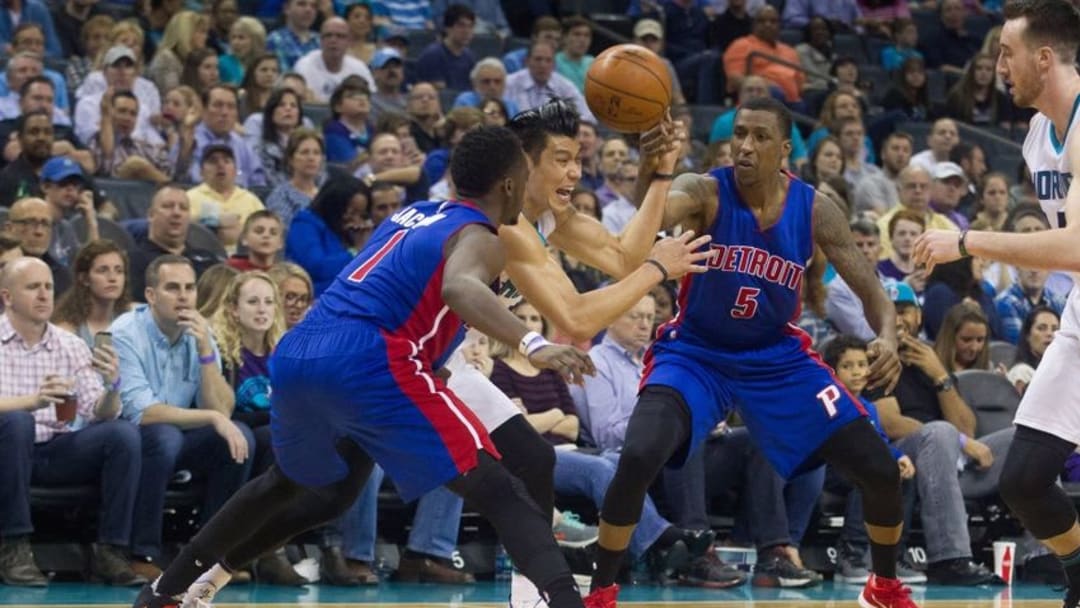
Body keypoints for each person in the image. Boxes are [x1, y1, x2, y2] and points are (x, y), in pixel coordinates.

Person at [130, 126, 601, 608]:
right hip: (373, 360)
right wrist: (531, 341)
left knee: (303, 488)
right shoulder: (480, 236)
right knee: (499, 488)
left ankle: (164, 592)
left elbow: (408, 297)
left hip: (304, 351)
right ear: (508, 184)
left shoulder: (412, 213)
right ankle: (564, 600)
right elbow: (460, 290)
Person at [582, 96, 913, 608]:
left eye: (759, 137)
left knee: (880, 468)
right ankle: (601, 590)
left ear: (784, 149)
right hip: (696, 353)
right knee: (640, 452)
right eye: (739, 133)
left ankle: (884, 586)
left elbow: (872, 291)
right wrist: (655, 166)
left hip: (776, 359)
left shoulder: (816, 208)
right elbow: (658, 213)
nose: (745, 145)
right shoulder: (706, 191)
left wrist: (887, 337)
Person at [913, 3, 1080, 605]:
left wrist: (965, 239)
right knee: (1025, 479)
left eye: (1006, 53)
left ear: (1043, 57)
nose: (996, 65)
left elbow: (1076, 244)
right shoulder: (1039, 134)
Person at [0, 257, 144, 587]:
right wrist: (32, 402)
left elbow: (100, 411)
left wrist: (113, 385)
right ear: (7, 297)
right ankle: (14, 547)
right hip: (6, 448)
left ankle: (110, 550)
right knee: (18, 422)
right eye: (33, 287)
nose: (44, 295)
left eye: (48, 287)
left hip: (55, 449)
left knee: (122, 433)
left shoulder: (71, 345)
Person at [52, 239, 133, 347]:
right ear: (84, 278)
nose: (113, 278)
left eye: (119, 271)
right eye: (103, 270)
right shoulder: (65, 332)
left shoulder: (131, 322)